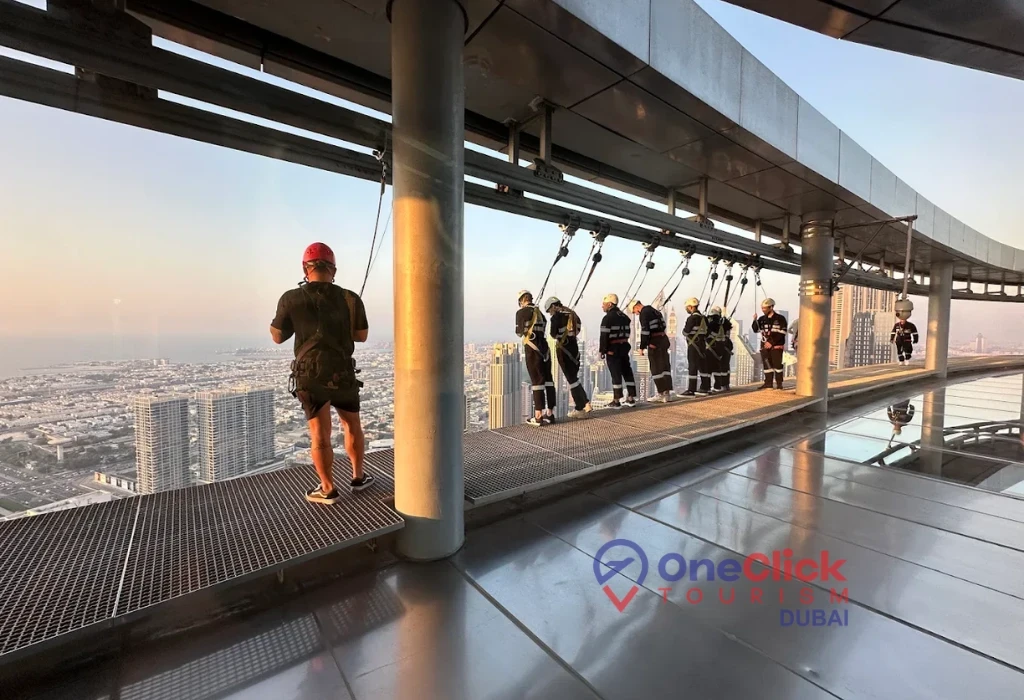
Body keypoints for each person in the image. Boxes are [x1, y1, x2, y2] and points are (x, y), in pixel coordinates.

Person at [270, 242, 373, 504]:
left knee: (320, 433)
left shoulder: (291, 298)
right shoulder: (350, 298)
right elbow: (361, 336)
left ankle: (327, 489)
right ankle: (358, 477)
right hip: (342, 371)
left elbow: (278, 336)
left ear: (306, 269)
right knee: (352, 425)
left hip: (310, 373)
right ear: (333, 270)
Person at [545, 297, 593, 418]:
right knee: (574, 378)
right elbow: (578, 329)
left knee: (571, 380)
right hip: (574, 348)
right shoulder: (572, 313)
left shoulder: (556, 317)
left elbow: (553, 334)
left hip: (563, 350)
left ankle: (580, 407)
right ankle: (586, 403)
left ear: (553, 306)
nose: (550, 312)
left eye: (550, 310)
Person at [516, 290, 557, 425]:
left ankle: (538, 415)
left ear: (522, 300)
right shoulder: (540, 314)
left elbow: (519, 332)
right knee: (548, 379)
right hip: (545, 348)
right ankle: (550, 413)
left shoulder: (521, 313)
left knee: (537, 381)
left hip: (532, 349)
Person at [631, 299, 673, 402]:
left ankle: (660, 393)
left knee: (656, 368)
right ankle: (667, 393)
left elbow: (645, 331)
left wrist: (642, 347)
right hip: (663, 341)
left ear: (636, 307)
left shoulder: (644, 313)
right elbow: (663, 326)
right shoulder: (655, 311)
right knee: (665, 367)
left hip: (655, 343)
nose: (635, 314)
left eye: (634, 311)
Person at [599, 294, 637, 408]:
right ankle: (631, 397)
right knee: (627, 372)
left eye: (604, 304)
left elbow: (604, 336)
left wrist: (602, 350)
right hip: (624, 349)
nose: (602, 306)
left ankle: (616, 400)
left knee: (616, 375)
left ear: (610, 304)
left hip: (612, 350)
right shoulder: (625, 317)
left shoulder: (607, 318)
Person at [752, 298, 787, 389]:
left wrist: (771, 342)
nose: (763, 310)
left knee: (777, 366)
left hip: (776, 346)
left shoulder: (780, 319)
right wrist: (754, 320)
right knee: (767, 366)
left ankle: (779, 384)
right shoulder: (762, 319)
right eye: (762, 308)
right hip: (765, 346)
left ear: (771, 307)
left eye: (765, 308)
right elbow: (755, 329)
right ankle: (768, 383)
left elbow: (782, 332)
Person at [681, 297, 710, 396]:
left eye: (687, 307)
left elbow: (685, 332)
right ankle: (705, 387)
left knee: (692, 367)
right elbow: (707, 332)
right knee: (703, 366)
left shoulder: (691, 318)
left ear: (690, 307)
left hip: (693, 346)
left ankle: (691, 390)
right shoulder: (704, 318)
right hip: (702, 345)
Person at [706, 306, 733, 393]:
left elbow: (707, 332)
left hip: (715, 348)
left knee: (714, 367)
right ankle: (724, 385)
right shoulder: (725, 323)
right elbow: (728, 329)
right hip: (725, 347)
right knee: (724, 367)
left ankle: (717, 386)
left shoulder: (712, 323)